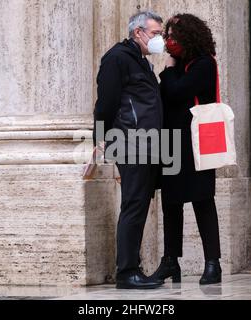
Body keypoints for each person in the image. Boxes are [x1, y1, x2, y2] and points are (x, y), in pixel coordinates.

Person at [93, 11, 165, 289]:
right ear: (138, 32)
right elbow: (106, 101)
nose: (160, 39)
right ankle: (127, 272)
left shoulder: (141, 61)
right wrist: (100, 136)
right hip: (130, 142)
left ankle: (132, 266)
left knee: (138, 205)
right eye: (156, 33)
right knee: (133, 205)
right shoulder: (117, 58)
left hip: (147, 143)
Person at [151, 14, 222, 285]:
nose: (170, 41)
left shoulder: (204, 64)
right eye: (168, 35)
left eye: (175, 36)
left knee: (203, 201)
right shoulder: (179, 65)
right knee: (171, 203)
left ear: (190, 37)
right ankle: (170, 262)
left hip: (196, 143)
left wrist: (168, 69)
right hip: (171, 142)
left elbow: (178, 91)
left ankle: (213, 263)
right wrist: (170, 70)